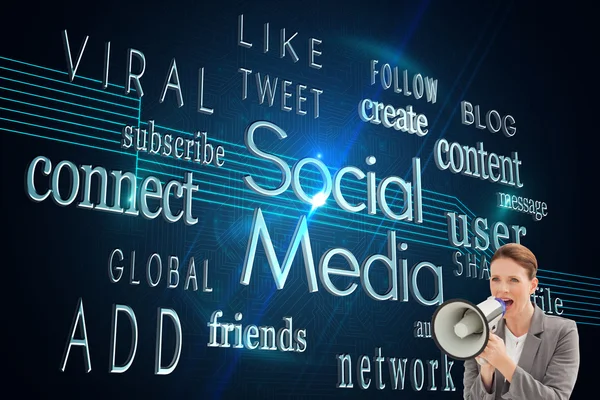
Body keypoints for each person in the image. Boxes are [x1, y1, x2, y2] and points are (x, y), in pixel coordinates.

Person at [463, 243, 580, 399]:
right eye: (495, 279)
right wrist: (486, 371)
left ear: (532, 286)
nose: (502, 289)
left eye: (514, 280)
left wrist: (503, 363)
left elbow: (557, 397)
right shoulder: (480, 329)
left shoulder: (563, 332)